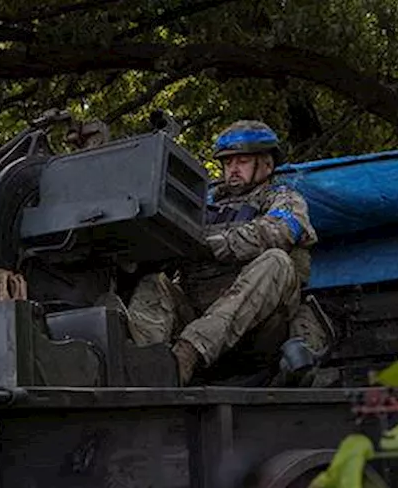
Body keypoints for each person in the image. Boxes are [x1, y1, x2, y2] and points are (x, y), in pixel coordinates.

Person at [126, 120, 328, 385]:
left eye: (242, 161)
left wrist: (208, 241)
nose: (232, 169)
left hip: (258, 330)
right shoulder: (203, 204)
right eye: (228, 163)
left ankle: (186, 355)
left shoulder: (285, 199)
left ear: (266, 164)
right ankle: (146, 368)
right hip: (199, 309)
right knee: (154, 282)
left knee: (277, 261)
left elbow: (276, 232)